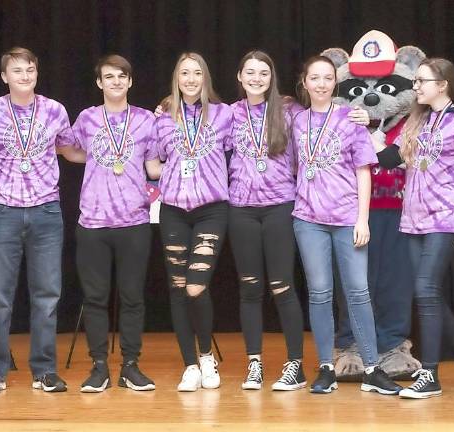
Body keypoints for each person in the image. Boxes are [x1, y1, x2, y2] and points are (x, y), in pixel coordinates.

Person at [373, 58, 454, 399]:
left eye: (421, 81)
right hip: (413, 218)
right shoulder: (419, 121)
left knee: (426, 289)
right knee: (427, 292)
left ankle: (429, 375)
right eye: (415, 81)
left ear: (442, 84)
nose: (415, 87)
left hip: (445, 216)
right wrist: (371, 137)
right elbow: (393, 160)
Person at [290, 55, 402, 395]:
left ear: (334, 83)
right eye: (315, 78)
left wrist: (362, 218)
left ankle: (371, 368)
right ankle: (326, 367)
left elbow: (363, 170)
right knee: (320, 294)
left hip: (347, 219)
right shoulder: (296, 121)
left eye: (327, 78)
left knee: (358, 292)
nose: (322, 84)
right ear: (305, 82)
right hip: (308, 219)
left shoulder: (351, 119)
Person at [0, 47, 74, 394]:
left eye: (30, 70)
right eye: (17, 71)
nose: (24, 76)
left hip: (46, 210)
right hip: (3, 210)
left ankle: (44, 371)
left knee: (47, 295)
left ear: (37, 73)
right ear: (4, 76)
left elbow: (71, 148)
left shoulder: (54, 110)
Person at [64, 55, 162, 392]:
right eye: (109, 77)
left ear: (130, 82)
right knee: (95, 298)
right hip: (93, 220)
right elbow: (72, 151)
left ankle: (131, 366)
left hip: (134, 220)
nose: (116, 82)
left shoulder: (147, 120)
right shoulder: (88, 118)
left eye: (122, 76)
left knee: (133, 296)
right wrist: (96, 160)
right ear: (99, 83)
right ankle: (99, 367)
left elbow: (153, 167)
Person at [227, 50, 307, 391]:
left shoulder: (290, 112)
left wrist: (357, 118)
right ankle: (254, 363)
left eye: (264, 72)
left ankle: (295, 365)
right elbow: (188, 111)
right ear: (240, 77)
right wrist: (163, 106)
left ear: (271, 78)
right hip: (240, 208)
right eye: (250, 72)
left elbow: (323, 122)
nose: (257, 78)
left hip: (278, 206)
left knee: (282, 286)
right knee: (250, 288)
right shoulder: (228, 114)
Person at [154, 52, 232, 392]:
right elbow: (154, 164)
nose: (190, 78)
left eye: (196, 72)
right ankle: (189, 365)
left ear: (205, 78)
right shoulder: (163, 117)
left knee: (195, 285)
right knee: (177, 288)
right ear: (176, 78)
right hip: (173, 209)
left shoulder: (224, 114)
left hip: (211, 209)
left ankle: (205, 357)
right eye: (184, 72)